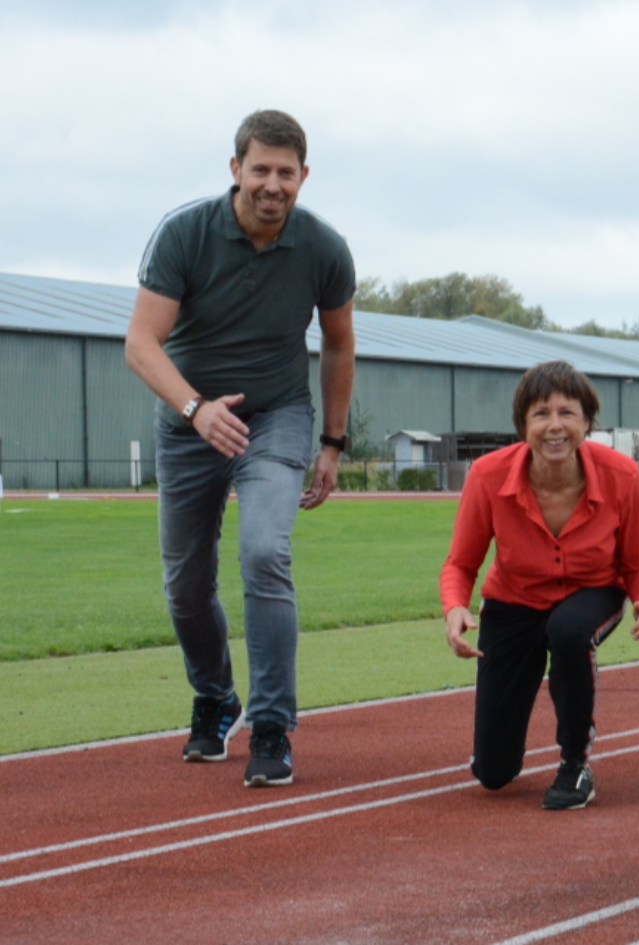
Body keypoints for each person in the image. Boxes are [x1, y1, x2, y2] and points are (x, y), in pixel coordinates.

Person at [124, 110, 355, 787]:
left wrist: (333, 442)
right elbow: (142, 343)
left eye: (287, 173)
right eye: (261, 169)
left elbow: (339, 343)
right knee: (186, 587)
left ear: (303, 176)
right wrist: (195, 410)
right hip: (190, 419)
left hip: (276, 416)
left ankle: (273, 724)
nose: (273, 184)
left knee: (263, 551)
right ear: (236, 170)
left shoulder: (324, 248)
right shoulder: (184, 234)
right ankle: (214, 694)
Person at [440, 362, 639, 810]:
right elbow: (460, 565)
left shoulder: (621, 476)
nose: (555, 425)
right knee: (494, 773)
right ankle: (494, 752)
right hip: (514, 601)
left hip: (592, 591)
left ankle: (574, 764)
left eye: (568, 412)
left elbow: (638, 564)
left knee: (568, 632)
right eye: (541, 414)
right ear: (522, 425)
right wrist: (454, 609)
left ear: (587, 421)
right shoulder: (487, 476)